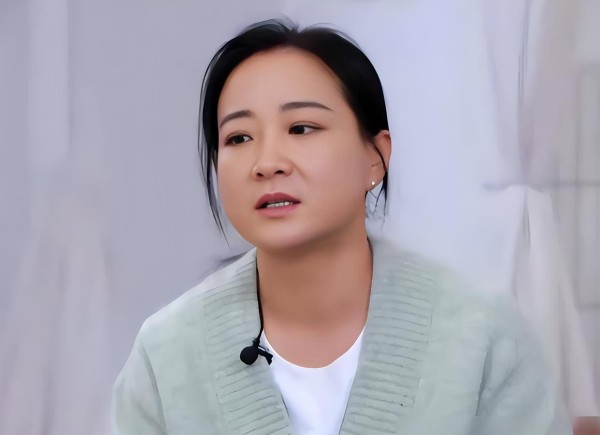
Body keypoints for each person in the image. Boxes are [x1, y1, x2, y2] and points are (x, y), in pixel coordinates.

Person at [112, 19, 572, 435]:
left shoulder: (483, 338)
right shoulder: (166, 354)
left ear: (375, 157)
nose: (267, 163)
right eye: (238, 137)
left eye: (301, 128)